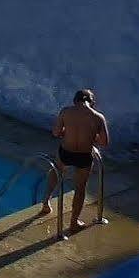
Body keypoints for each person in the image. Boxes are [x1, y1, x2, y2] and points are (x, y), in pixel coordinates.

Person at [43, 89, 110, 239]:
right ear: (92, 102)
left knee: (56, 171)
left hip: (66, 151)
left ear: (75, 100)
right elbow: (104, 142)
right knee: (80, 189)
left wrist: (66, 132)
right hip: (84, 156)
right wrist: (92, 138)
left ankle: (46, 201)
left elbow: (55, 132)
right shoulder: (98, 117)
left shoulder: (66, 112)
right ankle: (73, 222)